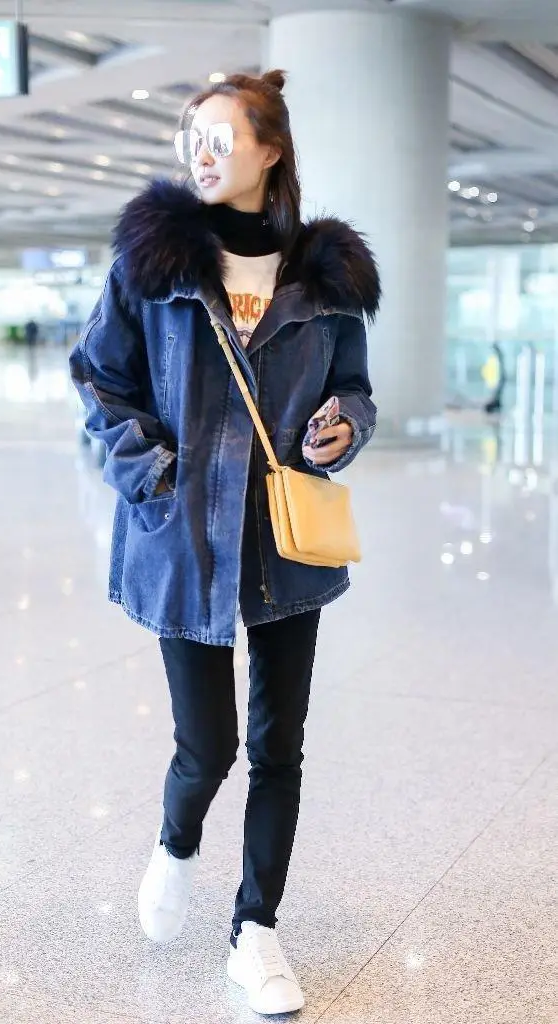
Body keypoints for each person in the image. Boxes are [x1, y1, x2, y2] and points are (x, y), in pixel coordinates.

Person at [70, 70, 379, 1017]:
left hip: (287, 542)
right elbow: (99, 380)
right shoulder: (154, 265)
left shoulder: (326, 279)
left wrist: (343, 427)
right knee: (205, 747)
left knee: (279, 745)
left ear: (269, 150)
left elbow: (356, 390)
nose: (200, 155)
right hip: (182, 539)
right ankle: (175, 843)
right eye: (190, 140)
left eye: (219, 137)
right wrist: (151, 471)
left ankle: (256, 931)